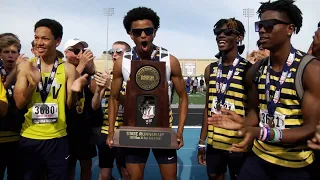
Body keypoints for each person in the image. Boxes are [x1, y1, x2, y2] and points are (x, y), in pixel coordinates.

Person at [209, 0, 320, 179]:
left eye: (269, 25)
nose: (261, 30)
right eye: (259, 25)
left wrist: (262, 132)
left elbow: (310, 128)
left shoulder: (310, 70)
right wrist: (243, 122)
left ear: (290, 29)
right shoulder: (256, 69)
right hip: (258, 157)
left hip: (294, 164)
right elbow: (255, 112)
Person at [106, 7, 188, 180]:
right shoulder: (122, 62)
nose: (143, 35)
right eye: (137, 32)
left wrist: (179, 131)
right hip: (134, 131)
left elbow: (183, 96)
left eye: (148, 31)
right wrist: (111, 131)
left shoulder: (169, 60)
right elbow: (113, 98)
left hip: (163, 130)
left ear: (155, 32)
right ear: (130, 35)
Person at [14, 18, 87, 180]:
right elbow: (19, 104)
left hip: (57, 139)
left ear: (58, 41)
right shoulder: (26, 66)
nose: (39, 42)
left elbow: (70, 105)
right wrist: (33, 85)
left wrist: (75, 91)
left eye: (45, 38)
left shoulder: (68, 69)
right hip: (30, 137)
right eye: (36, 37)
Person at [197, 18, 252, 180]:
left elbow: (253, 110)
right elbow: (208, 107)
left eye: (228, 32)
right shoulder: (210, 69)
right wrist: (202, 142)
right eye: (218, 32)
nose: (221, 35)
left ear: (239, 37)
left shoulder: (248, 70)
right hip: (214, 144)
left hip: (238, 143)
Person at [92, 41, 131, 180]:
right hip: (106, 130)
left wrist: (111, 86)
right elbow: (95, 106)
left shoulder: (133, 77)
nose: (114, 55)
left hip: (126, 131)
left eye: (118, 51)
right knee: (104, 176)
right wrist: (98, 90)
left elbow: (132, 106)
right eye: (112, 52)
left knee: (126, 173)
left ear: (128, 55)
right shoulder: (107, 75)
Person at [64, 38, 98, 180]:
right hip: (67, 126)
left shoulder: (87, 72)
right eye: (77, 51)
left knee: (86, 164)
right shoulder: (61, 68)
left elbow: (95, 90)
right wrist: (82, 65)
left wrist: (91, 68)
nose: (80, 55)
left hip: (85, 126)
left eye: (82, 51)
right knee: (68, 166)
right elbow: (67, 85)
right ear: (66, 53)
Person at [0, 34, 27, 180]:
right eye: (6, 51)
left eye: (14, 52)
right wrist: (15, 72)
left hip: (18, 137)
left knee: (16, 176)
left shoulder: (23, 72)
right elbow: (1, 90)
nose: (10, 55)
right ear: (0, 54)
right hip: (1, 136)